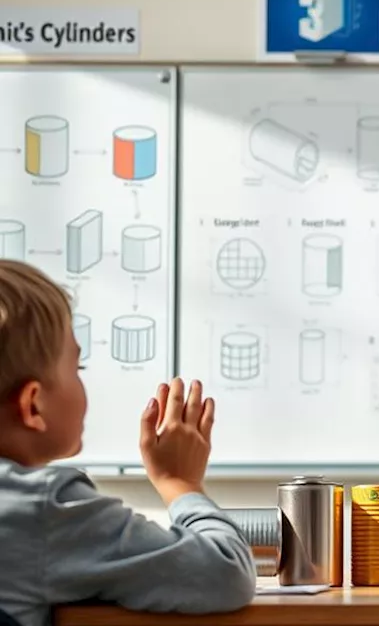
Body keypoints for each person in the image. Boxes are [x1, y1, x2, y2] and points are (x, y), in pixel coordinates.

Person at [0, 260, 256, 626]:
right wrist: (179, 483)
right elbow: (225, 573)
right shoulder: (45, 509)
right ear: (32, 404)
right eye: (78, 369)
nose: (82, 380)